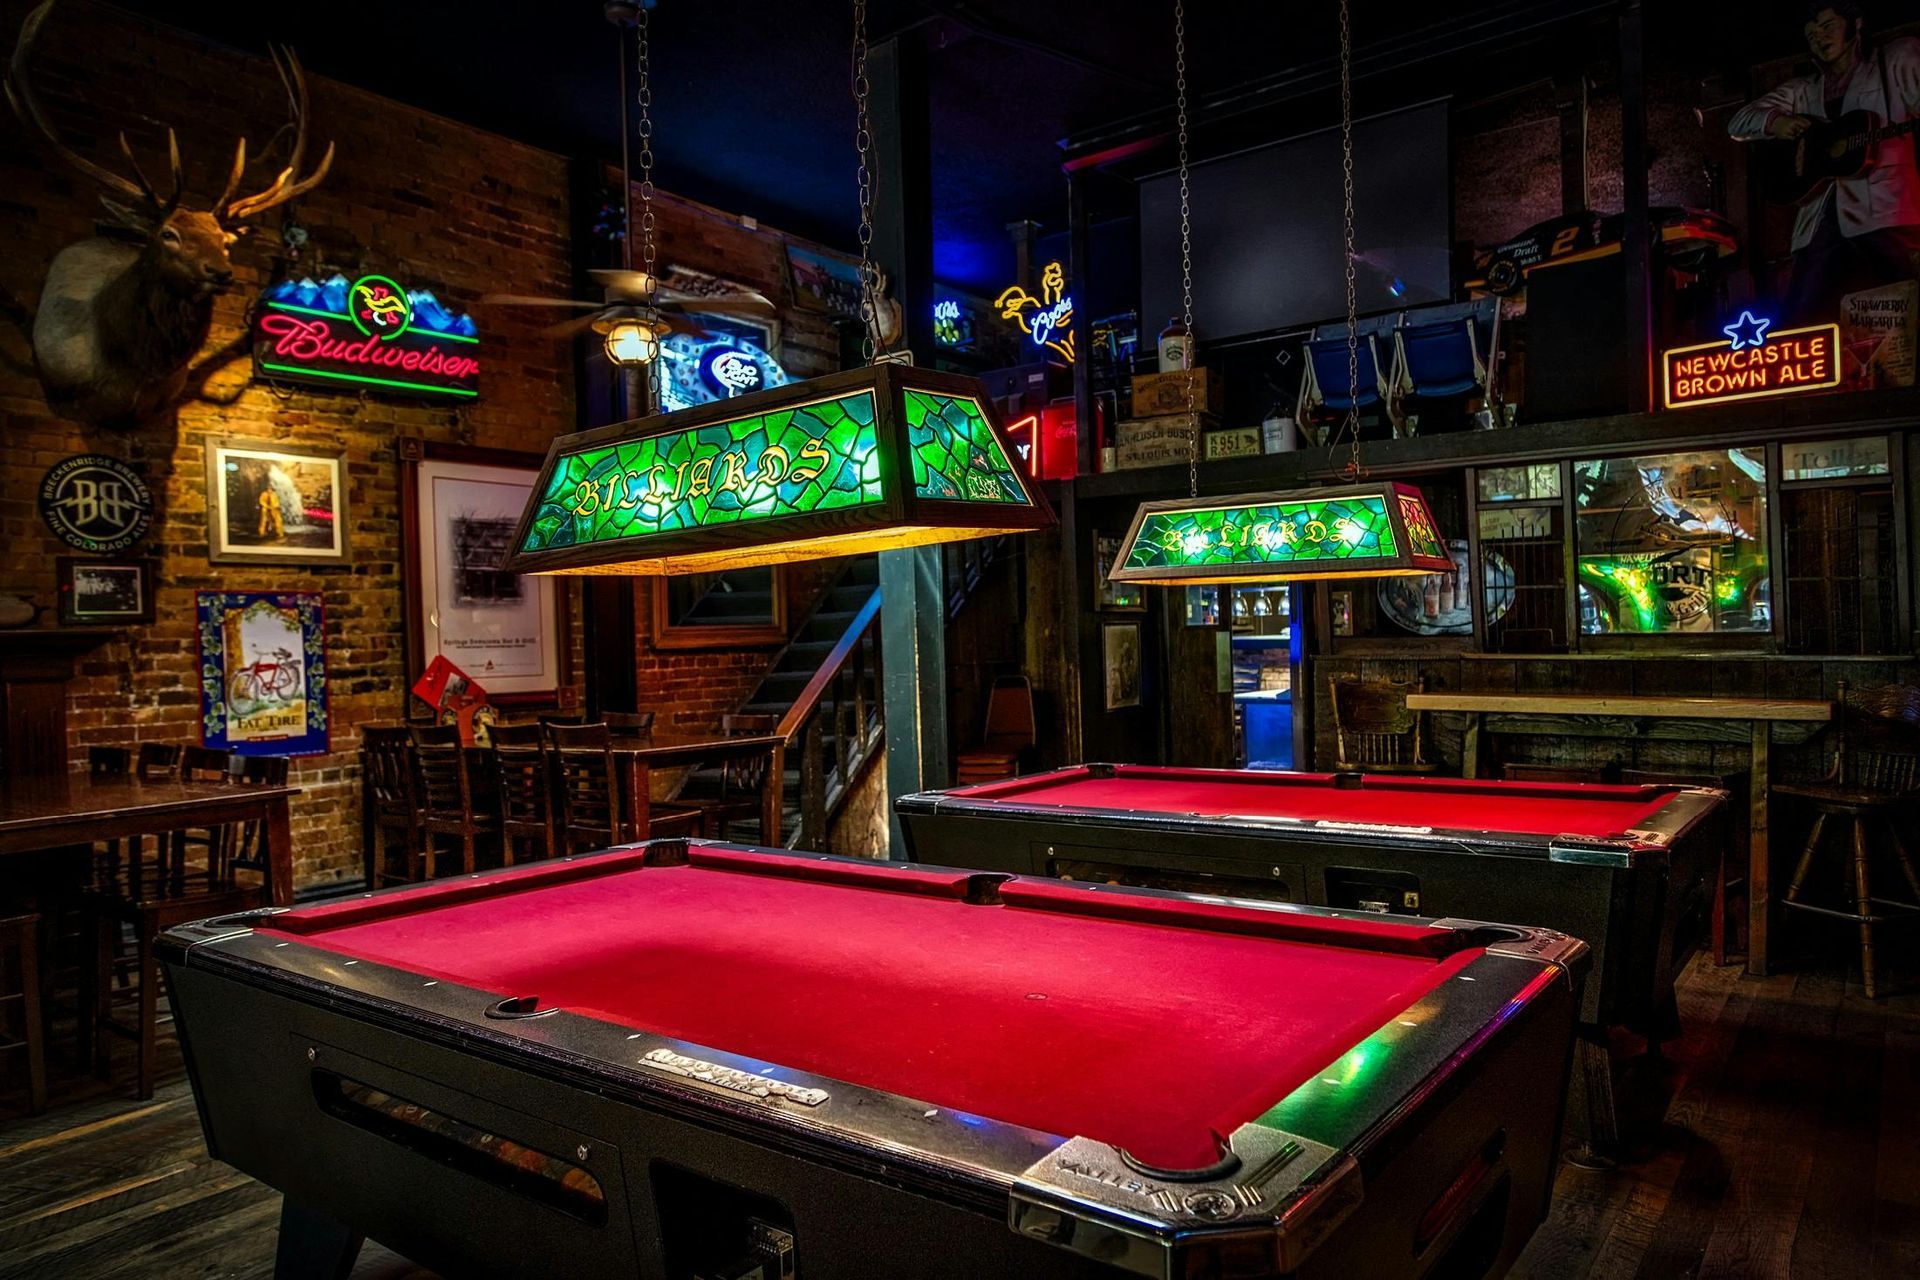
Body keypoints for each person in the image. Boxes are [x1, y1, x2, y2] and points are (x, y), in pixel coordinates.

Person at [1728, 2, 1920, 324]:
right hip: (1819, 218)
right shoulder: (1803, 91)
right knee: (1800, 316)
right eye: (1811, 34)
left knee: (1908, 289)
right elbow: (1738, 122)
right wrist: (1776, 122)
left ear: (1855, 25)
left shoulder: (1897, 59)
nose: (1819, 38)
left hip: (1885, 210)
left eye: (1827, 26)